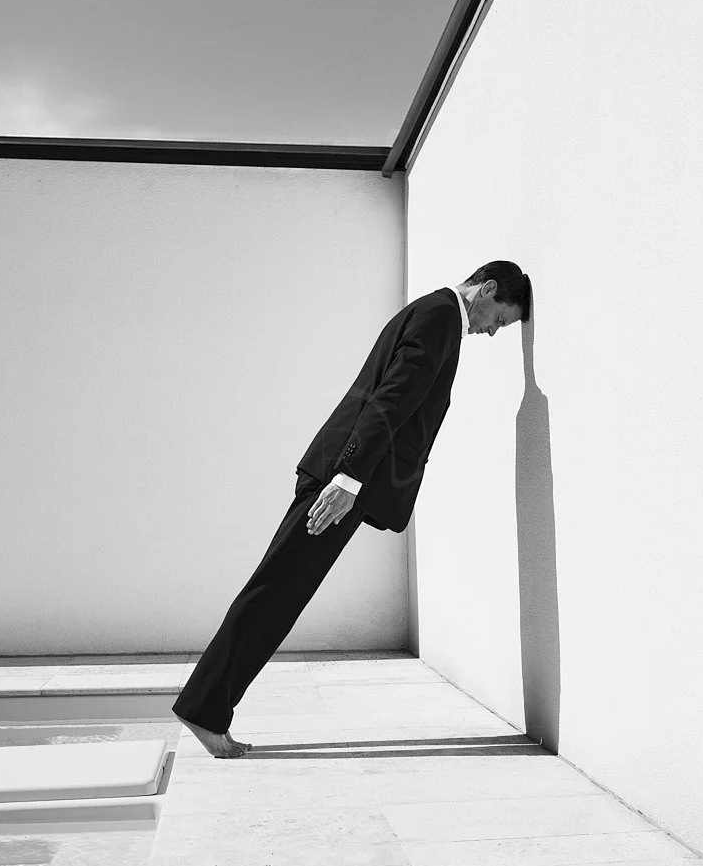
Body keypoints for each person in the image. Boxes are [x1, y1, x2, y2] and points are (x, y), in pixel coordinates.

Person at [173, 260, 532, 757]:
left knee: (281, 591)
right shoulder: (440, 317)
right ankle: (203, 709)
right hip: (341, 479)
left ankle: (208, 708)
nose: (493, 331)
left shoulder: (431, 311)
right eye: (500, 318)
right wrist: (348, 479)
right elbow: (391, 398)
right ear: (488, 288)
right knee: (275, 589)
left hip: (345, 477)